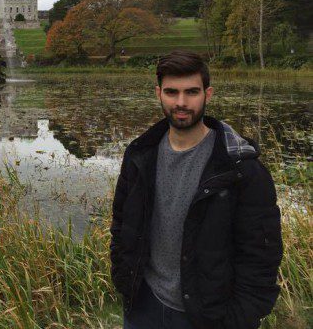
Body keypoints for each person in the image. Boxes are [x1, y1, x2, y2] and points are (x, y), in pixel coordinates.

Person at [110, 50, 282, 329]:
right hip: (143, 306)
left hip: (207, 317)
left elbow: (261, 256)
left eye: (191, 92)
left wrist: (238, 318)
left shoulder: (241, 168)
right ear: (158, 93)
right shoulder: (140, 155)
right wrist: (123, 278)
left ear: (208, 94)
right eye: (171, 92)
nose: (181, 102)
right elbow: (121, 223)